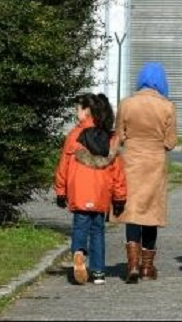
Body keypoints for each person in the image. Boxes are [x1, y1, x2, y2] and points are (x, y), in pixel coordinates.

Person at [111, 61, 178, 283]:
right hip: (155, 162)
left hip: (131, 161)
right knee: (151, 213)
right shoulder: (167, 106)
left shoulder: (126, 103)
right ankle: (148, 267)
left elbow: (119, 134)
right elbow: (171, 142)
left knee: (133, 213)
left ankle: (132, 265)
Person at [54, 93, 127, 286]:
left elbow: (64, 166)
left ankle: (79, 253)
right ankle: (98, 272)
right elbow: (117, 171)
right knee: (98, 231)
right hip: (101, 192)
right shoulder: (110, 138)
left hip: (80, 191)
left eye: (77, 110)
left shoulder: (74, 136)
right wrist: (120, 197)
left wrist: (60, 191)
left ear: (86, 111)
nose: (76, 113)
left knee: (80, 226)